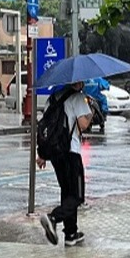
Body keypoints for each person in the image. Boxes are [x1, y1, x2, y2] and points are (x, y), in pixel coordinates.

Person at [38, 81, 93, 247]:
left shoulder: (53, 98)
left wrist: (42, 154)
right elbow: (83, 125)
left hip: (56, 154)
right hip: (71, 152)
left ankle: (70, 233)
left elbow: (46, 127)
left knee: (67, 191)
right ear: (78, 82)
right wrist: (89, 110)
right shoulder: (79, 98)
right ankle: (53, 217)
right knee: (77, 195)